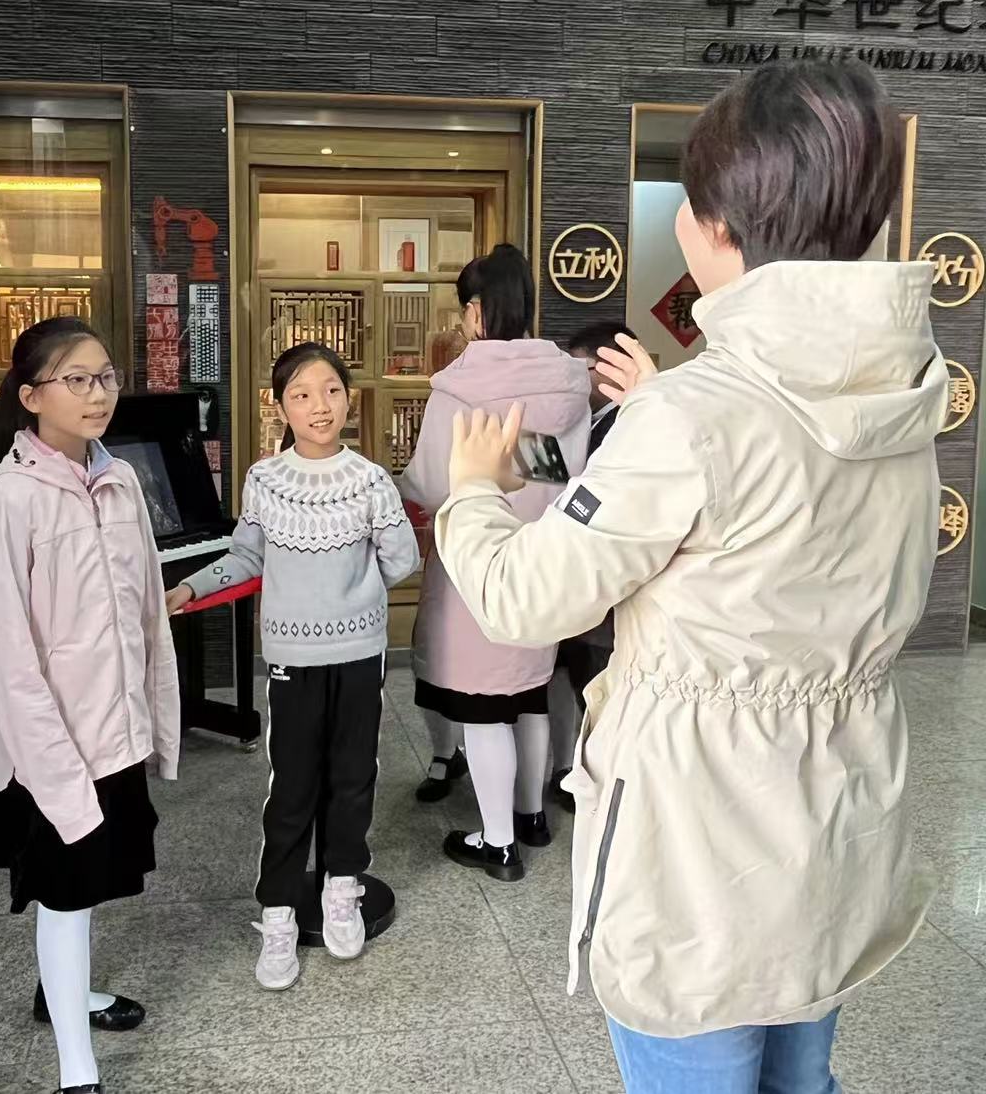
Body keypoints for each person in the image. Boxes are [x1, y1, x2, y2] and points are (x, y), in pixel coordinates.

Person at [434, 60, 945, 1091]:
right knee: (800, 1075)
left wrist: (474, 492)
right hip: (836, 810)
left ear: (717, 224)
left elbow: (526, 597)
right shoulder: (900, 387)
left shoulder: (689, 417)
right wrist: (661, 415)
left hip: (702, 843)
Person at [0, 317, 180, 1094]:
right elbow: (9, 661)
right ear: (31, 396)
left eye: (106, 377)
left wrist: (156, 725)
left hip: (115, 734)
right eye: (78, 379)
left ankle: (67, 994)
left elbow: (148, 617)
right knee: (63, 893)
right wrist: (56, 774)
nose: (99, 394)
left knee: (87, 887)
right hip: (51, 748)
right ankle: (75, 1068)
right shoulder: (6, 503)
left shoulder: (119, 482)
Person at [166, 342, 418, 991]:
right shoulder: (265, 479)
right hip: (291, 659)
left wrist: (354, 594)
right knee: (293, 784)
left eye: (331, 390)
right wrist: (191, 587)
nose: (319, 405)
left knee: (353, 775)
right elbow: (247, 557)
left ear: (348, 399)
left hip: (359, 654)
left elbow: (403, 559)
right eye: (301, 394)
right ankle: (278, 913)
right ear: (280, 406)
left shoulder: (370, 479)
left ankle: (342, 886)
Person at [399, 243, 590, 882]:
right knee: (530, 692)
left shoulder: (459, 389)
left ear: (477, 311)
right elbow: (563, 477)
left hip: (475, 564)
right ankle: (531, 814)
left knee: (483, 705)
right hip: (543, 562)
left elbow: (433, 483)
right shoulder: (565, 385)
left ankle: (498, 842)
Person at [546, 319, 635, 815]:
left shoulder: (628, 425)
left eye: (579, 369)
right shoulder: (598, 420)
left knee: (600, 697)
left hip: (605, 598)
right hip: (585, 591)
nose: (573, 380)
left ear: (609, 367)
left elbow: (592, 501)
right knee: (576, 686)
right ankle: (574, 774)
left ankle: (603, 797)